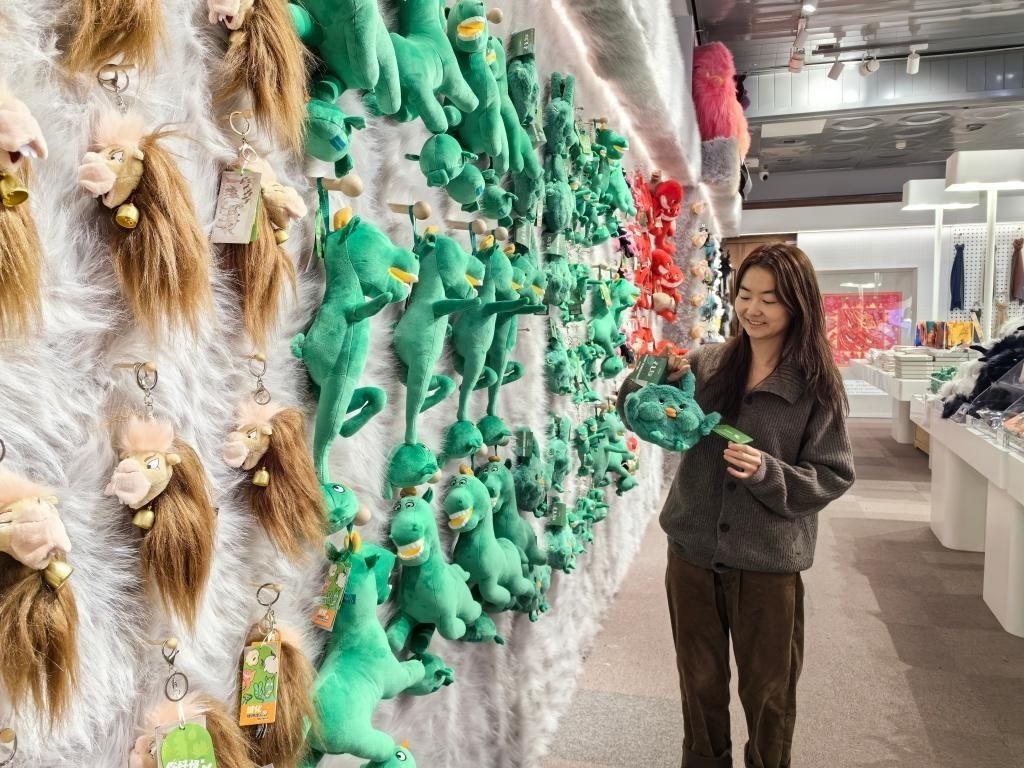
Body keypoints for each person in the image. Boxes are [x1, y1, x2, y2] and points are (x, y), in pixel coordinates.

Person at [623, 243, 855, 768]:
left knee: (768, 692)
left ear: (798, 303)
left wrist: (768, 473)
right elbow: (636, 407)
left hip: (767, 562)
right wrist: (650, 374)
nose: (753, 309)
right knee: (698, 684)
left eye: (770, 299)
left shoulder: (815, 384)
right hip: (692, 554)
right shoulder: (708, 363)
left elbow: (834, 473)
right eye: (745, 294)